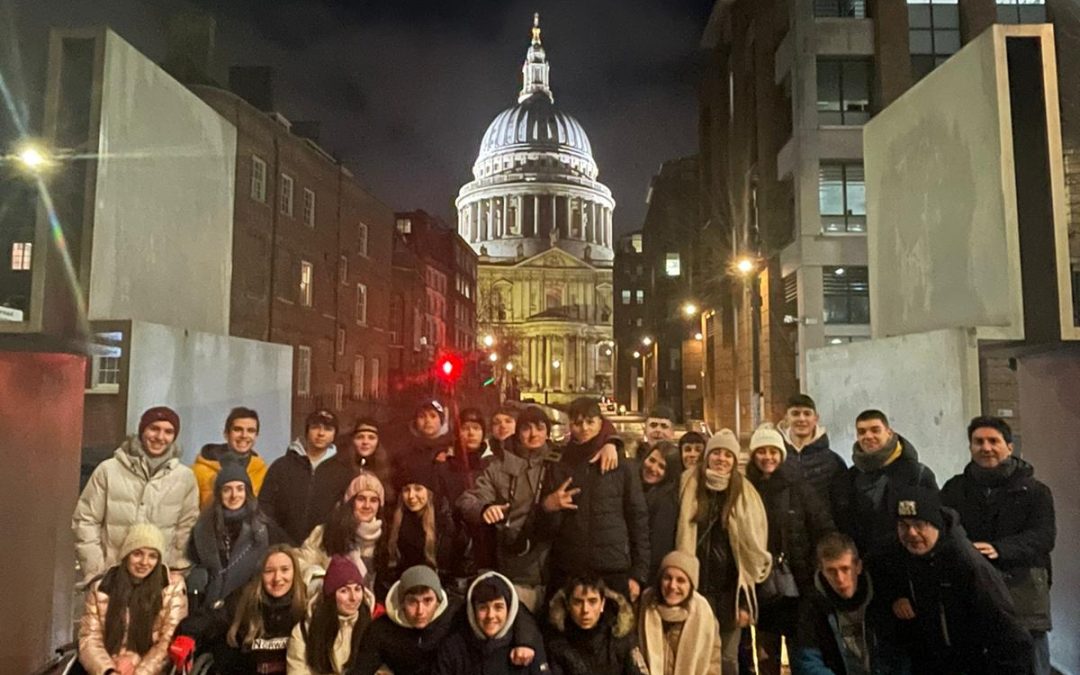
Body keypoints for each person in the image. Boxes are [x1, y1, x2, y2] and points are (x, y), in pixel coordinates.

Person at [940, 416, 1056, 675]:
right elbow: (945, 533)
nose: (986, 447)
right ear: (970, 447)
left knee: (1033, 662)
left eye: (994, 441)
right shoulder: (953, 489)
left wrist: (999, 549)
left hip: (1023, 590)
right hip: (974, 591)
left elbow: (1044, 536)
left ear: (1009, 447)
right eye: (978, 441)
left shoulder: (1036, 491)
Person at [891, 485, 1033, 674]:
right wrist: (895, 595)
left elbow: (1008, 630)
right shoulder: (902, 554)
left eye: (919, 524)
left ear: (936, 524)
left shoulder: (967, 563)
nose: (911, 533)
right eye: (904, 525)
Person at [676, 429, 771, 675]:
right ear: (707, 456)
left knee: (728, 659)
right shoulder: (687, 483)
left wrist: (745, 604)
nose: (721, 459)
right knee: (695, 655)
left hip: (731, 591)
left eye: (728, 454)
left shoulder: (745, 492)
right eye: (716, 452)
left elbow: (754, 547)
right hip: (694, 587)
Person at [745, 423, 835, 675]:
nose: (767, 457)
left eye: (773, 451)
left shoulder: (798, 486)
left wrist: (818, 568)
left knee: (801, 648)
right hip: (763, 581)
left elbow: (822, 525)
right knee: (766, 650)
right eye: (761, 451)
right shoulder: (747, 487)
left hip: (799, 580)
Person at [73, 406, 199, 583]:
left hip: (158, 581)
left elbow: (186, 527)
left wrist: (175, 569)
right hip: (111, 578)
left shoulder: (185, 478)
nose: (160, 437)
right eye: (154, 428)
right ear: (142, 431)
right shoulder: (108, 471)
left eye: (168, 431)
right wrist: (96, 572)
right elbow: (86, 521)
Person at [541, 397, 649, 604]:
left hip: (613, 568)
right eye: (578, 423)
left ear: (601, 423)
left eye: (590, 422)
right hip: (570, 569)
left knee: (617, 630)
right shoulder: (559, 463)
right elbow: (546, 528)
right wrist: (549, 505)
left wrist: (638, 574)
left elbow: (638, 520)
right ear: (569, 425)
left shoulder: (622, 466)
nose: (584, 428)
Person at [457, 404, 560, 612]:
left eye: (540, 428)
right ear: (518, 432)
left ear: (547, 431)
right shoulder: (499, 466)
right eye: (526, 428)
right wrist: (485, 509)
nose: (533, 435)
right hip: (516, 570)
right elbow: (467, 500)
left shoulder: (559, 461)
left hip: (556, 567)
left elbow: (593, 437)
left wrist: (612, 443)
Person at [180, 462, 286, 645]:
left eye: (240, 489)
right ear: (219, 493)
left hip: (249, 607)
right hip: (210, 604)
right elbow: (193, 560)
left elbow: (288, 554)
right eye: (227, 490)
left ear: (248, 492)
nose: (234, 495)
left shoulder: (264, 527)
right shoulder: (203, 527)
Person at [77, 523, 188, 675]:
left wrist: (139, 671)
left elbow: (167, 642)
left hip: (151, 668)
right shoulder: (101, 587)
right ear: (126, 555)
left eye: (152, 556)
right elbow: (90, 638)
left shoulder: (172, 587)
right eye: (137, 554)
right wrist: (108, 670)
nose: (144, 562)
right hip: (107, 665)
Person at [792, 533, 910, 675]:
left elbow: (901, 654)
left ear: (858, 566)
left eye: (845, 569)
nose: (840, 579)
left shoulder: (881, 597)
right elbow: (807, 661)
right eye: (831, 571)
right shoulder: (813, 606)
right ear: (821, 571)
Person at [834, 410, 937, 569]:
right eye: (861, 432)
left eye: (875, 430)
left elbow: (935, 521)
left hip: (908, 564)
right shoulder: (850, 476)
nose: (868, 436)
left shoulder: (917, 473)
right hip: (864, 565)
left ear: (889, 433)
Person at [260, 409, 353, 545]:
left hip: (322, 551)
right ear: (307, 431)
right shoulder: (281, 466)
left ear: (334, 435)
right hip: (282, 551)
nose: (321, 433)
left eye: (328, 429)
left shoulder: (343, 473)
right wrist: (277, 539)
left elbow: (345, 516)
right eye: (315, 427)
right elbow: (264, 507)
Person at [347, 565, 461, 675]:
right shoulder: (381, 630)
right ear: (401, 603)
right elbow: (361, 669)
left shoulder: (454, 617)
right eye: (412, 601)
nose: (420, 611)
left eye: (427, 601)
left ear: (438, 602)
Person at [433, 571, 550, 674]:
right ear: (472, 610)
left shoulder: (527, 650)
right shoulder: (453, 650)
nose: (490, 615)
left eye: (498, 607)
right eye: (483, 608)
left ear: (509, 610)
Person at [216, 544, 309, 674]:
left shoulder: (307, 608)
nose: (277, 578)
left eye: (285, 569)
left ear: (295, 572)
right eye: (269, 571)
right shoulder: (244, 603)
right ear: (261, 574)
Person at [374, 461, 455, 601]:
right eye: (406, 490)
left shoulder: (446, 524)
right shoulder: (392, 524)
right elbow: (385, 572)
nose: (411, 496)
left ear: (429, 492)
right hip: (403, 598)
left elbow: (458, 571)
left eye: (418, 489)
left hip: (439, 598)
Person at [637, 550, 722, 675]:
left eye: (680, 580)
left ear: (691, 586)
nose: (672, 586)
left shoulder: (705, 617)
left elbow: (713, 667)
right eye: (667, 578)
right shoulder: (644, 607)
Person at [298, 473, 385, 594]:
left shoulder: (386, 538)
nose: (367, 505)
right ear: (350, 501)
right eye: (361, 499)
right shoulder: (327, 532)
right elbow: (302, 561)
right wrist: (320, 582)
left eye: (374, 500)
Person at [287, 556, 374, 675]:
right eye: (344, 591)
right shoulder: (304, 631)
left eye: (358, 589)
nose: (353, 598)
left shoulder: (372, 627)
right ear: (331, 596)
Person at [545, 576, 649, 675]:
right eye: (578, 602)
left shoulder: (621, 637)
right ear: (568, 604)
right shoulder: (557, 644)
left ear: (602, 604)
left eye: (592, 601)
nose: (585, 610)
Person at [193, 407, 269, 510]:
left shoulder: (263, 473)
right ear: (226, 434)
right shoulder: (199, 471)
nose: (244, 435)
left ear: (256, 436)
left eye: (250, 431)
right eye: (238, 429)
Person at [776, 394, 846, 507]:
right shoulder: (775, 458)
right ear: (786, 418)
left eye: (807, 413)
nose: (801, 419)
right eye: (795, 414)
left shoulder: (833, 461)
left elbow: (842, 506)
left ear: (816, 418)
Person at [639, 441, 683, 586]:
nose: (653, 468)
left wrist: (641, 579)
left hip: (646, 577)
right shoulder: (637, 487)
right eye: (652, 460)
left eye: (662, 467)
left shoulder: (666, 501)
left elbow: (658, 548)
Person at [344, 418, 394, 506]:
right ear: (352, 440)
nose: (365, 442)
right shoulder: (341, 467)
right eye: (360, 437)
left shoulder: (387, 469)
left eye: (371, 438)